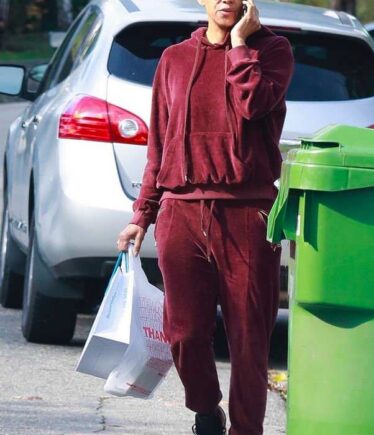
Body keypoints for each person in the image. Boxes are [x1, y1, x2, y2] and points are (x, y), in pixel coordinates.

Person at [117, 0, 294, 433]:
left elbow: (253, 105)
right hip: (181, 211)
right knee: (184, 334)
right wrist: (143, 213)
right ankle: (204, 408)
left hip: (247, 214)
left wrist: (238, 45)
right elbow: (158, 142)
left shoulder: (273, 52)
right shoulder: (174, 58)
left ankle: (246, 429)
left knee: (250, 341)